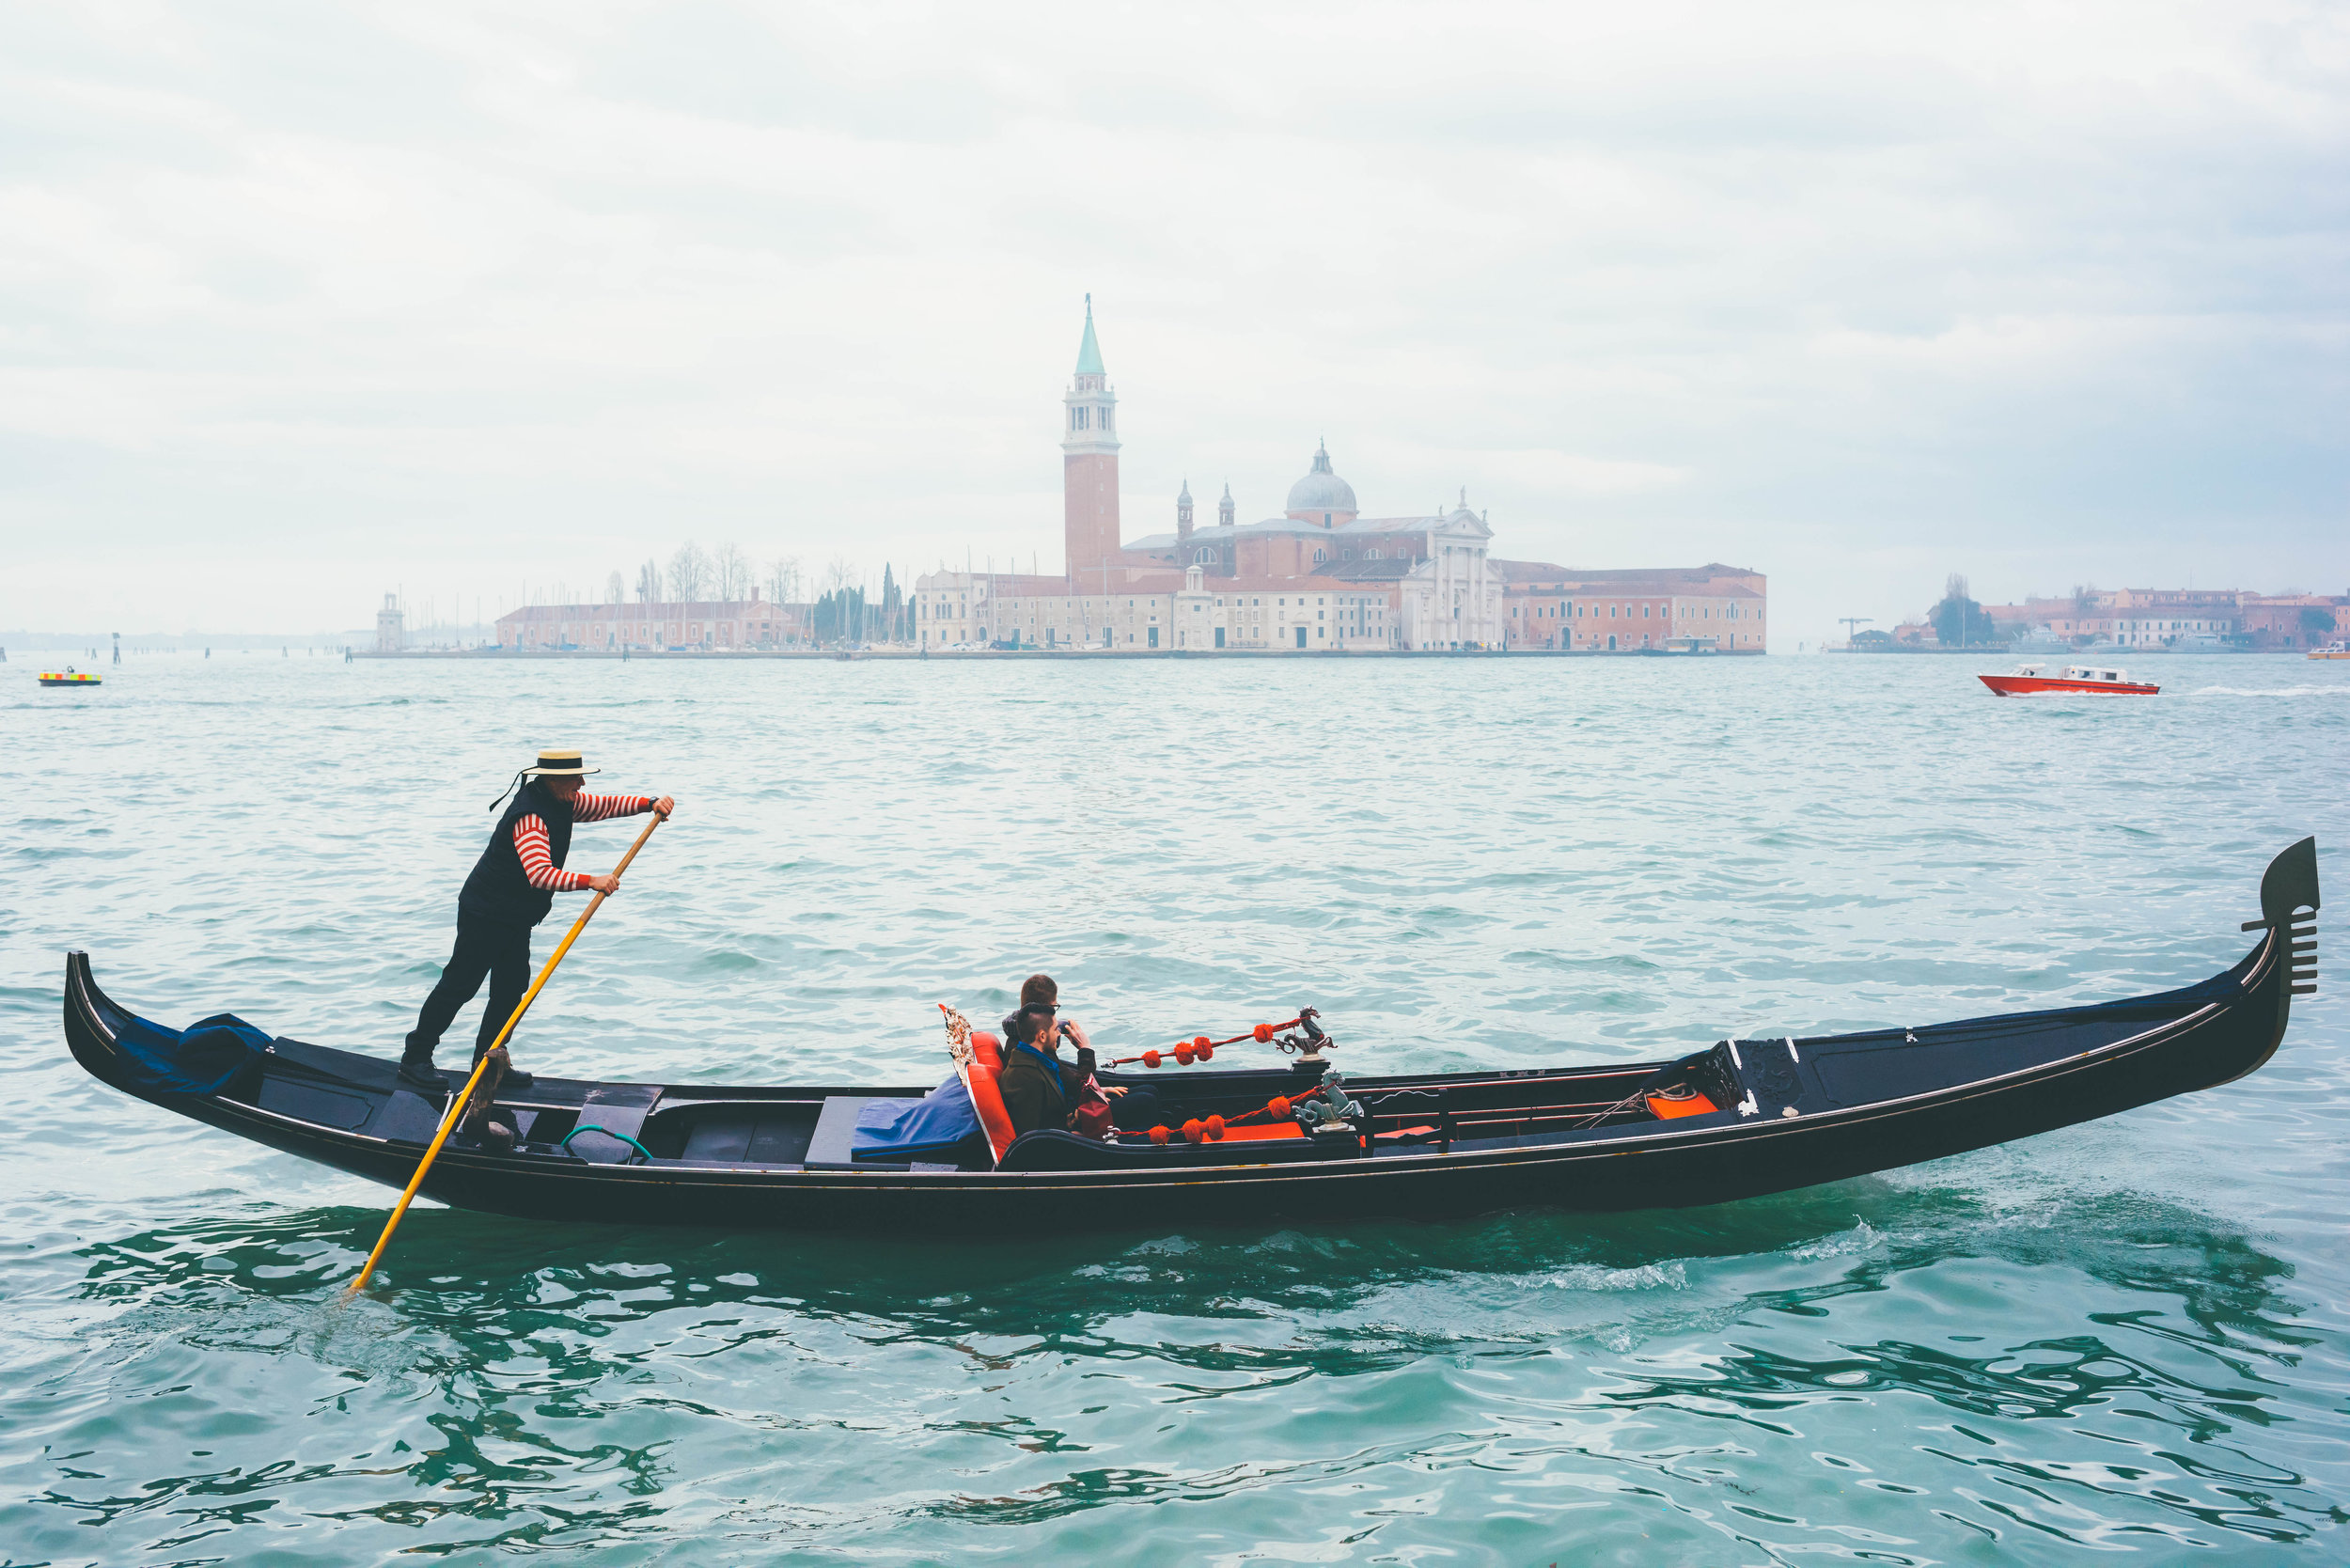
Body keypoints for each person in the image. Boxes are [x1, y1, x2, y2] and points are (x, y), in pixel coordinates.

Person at [399, 748, 672, 1092]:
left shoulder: (561, 799)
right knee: (460, 986)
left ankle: (488, 1063)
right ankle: (415, 1059)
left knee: (511, 990)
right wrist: (592, 881)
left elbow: (601, 806)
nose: (582, 783)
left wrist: (649, 803)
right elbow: (540, 874)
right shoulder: (530, 817)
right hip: (484, 912)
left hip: (515, 916)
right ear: (555, 780)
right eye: (577, 778)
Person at [995, 974, 1156, 1138]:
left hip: (1070, 1115)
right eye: (1054, 1009)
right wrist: (1084, 1050)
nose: (1059, 1031)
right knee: (1145, 1101)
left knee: (1149, 1091)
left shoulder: (1032, 1047)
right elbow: (1035, 1128)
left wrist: (1094, 1094)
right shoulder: (1025, 1065)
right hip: (1066, 1130)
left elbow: (1064, 1085)